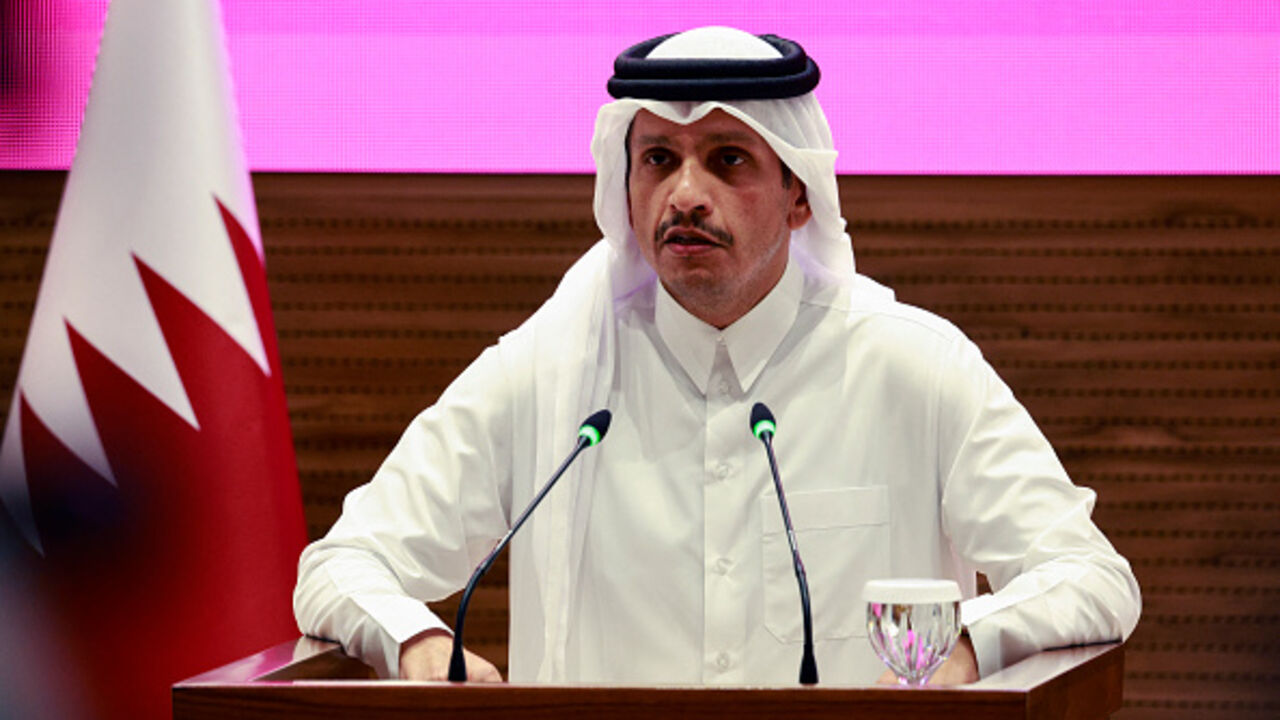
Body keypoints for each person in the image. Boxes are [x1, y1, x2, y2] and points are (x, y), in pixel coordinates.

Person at [293, 26, 1141, 685]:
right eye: (658, 160)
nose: (687, 194)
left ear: (800, 195)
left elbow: (1092, 577)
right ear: (626, 190)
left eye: (728, 160)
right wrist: (417, 641)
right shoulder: (548, 376)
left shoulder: (914, 368)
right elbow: (340, 565)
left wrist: (966, 646)